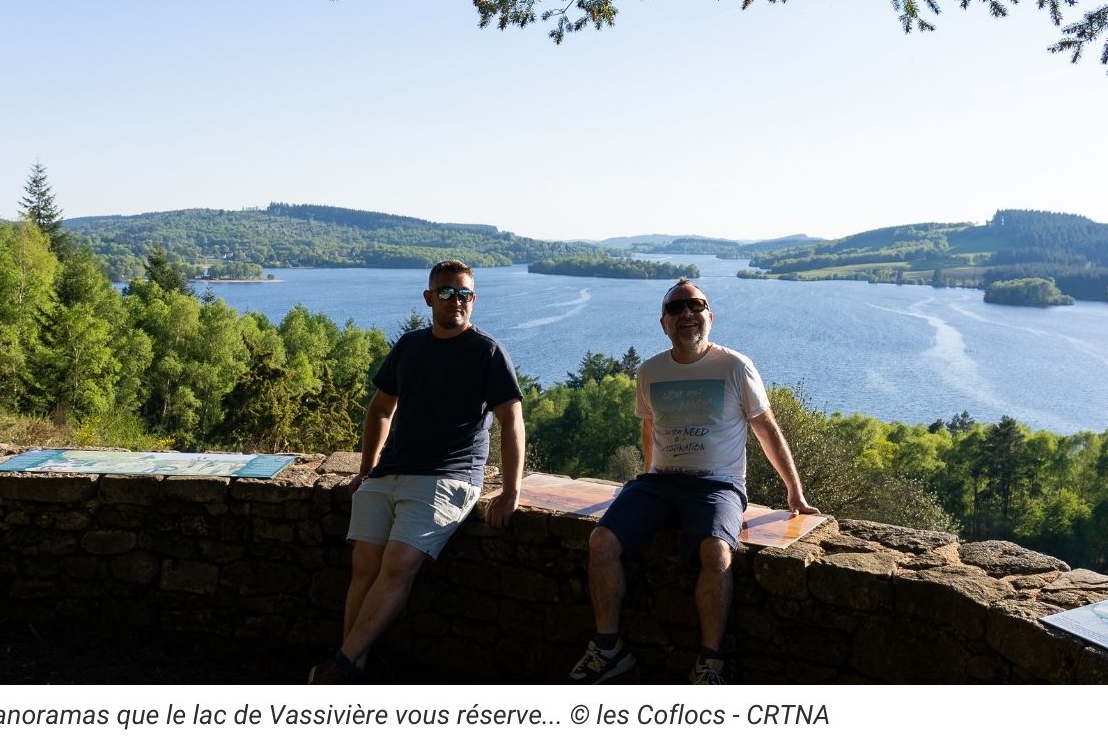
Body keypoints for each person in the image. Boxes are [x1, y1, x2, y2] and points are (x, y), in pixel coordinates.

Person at [568, 278, 819, 685]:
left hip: (718, 485)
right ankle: (608, 649)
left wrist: (795, 491)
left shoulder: (735, 366)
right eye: (676, 308)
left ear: (710, 316)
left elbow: (766, 428)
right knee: (601, 541)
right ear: (663, 323)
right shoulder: (649, 371)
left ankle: (710, 662)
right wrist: (646, 475)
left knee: (717, 553)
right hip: (660, 483)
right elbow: (650, 429)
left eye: (696, 305)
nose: (687, 313)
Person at [309, 259, 524, 683]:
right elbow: (380, 409)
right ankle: (356, 664)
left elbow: (511, 420)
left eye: (463, 294)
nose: (455, 301)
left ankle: (342, 665)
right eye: (445, 293)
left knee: (398, 563)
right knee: (364, 563)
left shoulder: (487, 351)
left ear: (473, 299)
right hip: (389, 473)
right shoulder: (409, 346)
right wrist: (366, 468)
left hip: (448, 477)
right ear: (429, 298)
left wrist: (511, 490)